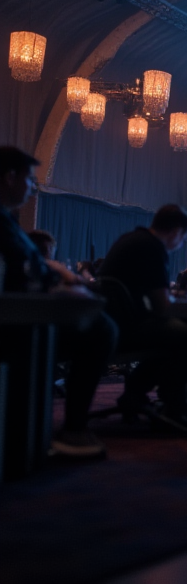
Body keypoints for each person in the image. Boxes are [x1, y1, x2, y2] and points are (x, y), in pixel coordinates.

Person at [0, 147, 116, 457]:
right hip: (12, 320)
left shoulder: (7, 220)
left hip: (18, 312)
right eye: (29, 180)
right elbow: (23, 270)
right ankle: (73, 430)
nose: (31, 187)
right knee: (100, 329)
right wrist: (60, 282)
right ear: (10, 177)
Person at [100, 203, 187, 426]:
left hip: (115, 322)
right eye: (183, 238)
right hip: (129, 327)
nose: (180, 244)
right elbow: (162, 305)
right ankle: (171, 400)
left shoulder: (132, 239)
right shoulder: (152, 247)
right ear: (175, 232)